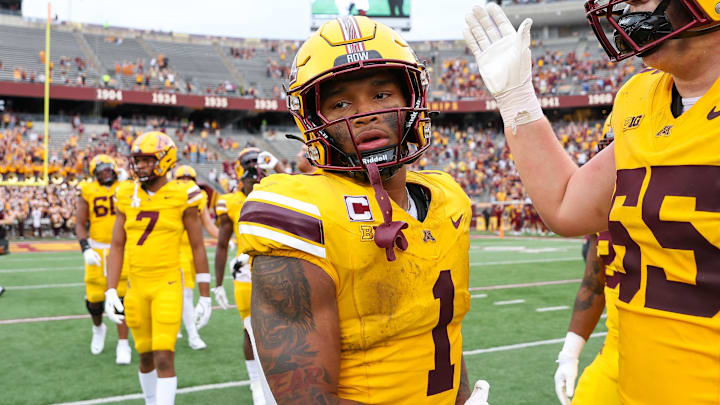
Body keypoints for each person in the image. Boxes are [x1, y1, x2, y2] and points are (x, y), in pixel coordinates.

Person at [463, 2, 720, 404]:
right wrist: (517, 99)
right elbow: (567, 206)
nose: (627, 16)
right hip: (635, 382)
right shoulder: (638, 98)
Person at [238, 15, 477, 404]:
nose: (365, 113)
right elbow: (305, 399)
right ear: (315, 120)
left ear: (411, 99)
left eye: (382, 94)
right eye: (341, 103)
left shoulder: (447, 198)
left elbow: (443, 335)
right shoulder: (300, 212)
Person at [104, 132, 213, 405]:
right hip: (135, 285)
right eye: (137, 160)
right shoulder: (126, 193)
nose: (139, 166)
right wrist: (109, 290)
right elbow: (117, 245)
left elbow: (198, 246)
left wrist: (205, 293)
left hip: (168, 283)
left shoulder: (183, 194)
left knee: (164, 355)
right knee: (144, 356)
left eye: (145, 160)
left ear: (165, 161)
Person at [213, 147, 277, 405]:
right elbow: (220, 244)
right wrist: (217, 284)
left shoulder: (277, 193)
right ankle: (254, 381)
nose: (254, 171)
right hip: (245, 274)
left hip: (275, 268)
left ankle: (275, 379)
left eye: (257, 165)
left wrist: (278, 170)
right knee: (251, 330)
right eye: (249, 166)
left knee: (278, 328)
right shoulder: (229, 201)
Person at [75, 154, 131, 364]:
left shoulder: (125, 186)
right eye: (100, 171)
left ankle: (123, 343)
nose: (105, 173)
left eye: (108, 169)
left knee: (121, 299)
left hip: (120, 249)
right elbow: (80, 223)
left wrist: (128, 181)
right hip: (97, 250)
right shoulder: (88, 190)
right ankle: (98, 328)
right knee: (94, 302)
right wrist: (85, 248)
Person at [173, 165, 219, 350]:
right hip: (177, 250)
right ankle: (192, 334)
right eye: (181, 179)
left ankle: (176, 326)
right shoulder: (170, 197)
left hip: (194, 251)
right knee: (186, 293)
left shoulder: (198, 197)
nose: (185, 182)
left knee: (184, 293)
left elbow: (207, 223)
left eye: (189, 179)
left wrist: (224, 238)